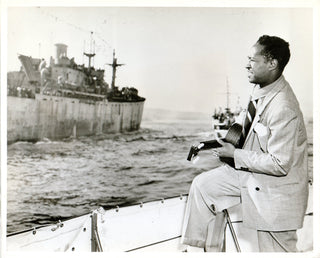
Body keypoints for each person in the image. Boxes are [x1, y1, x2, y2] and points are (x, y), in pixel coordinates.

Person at [181, 35, 309, 252]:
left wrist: (235, 155)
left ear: (272, 64)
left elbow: (280, 163)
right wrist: (215, 143)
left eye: (252, 60)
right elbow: (243, 123)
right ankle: (197, 250)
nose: (246, 64)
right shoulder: (261, 90)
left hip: (276, 191)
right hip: (252, 175)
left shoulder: (283, 107)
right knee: (203, 187)